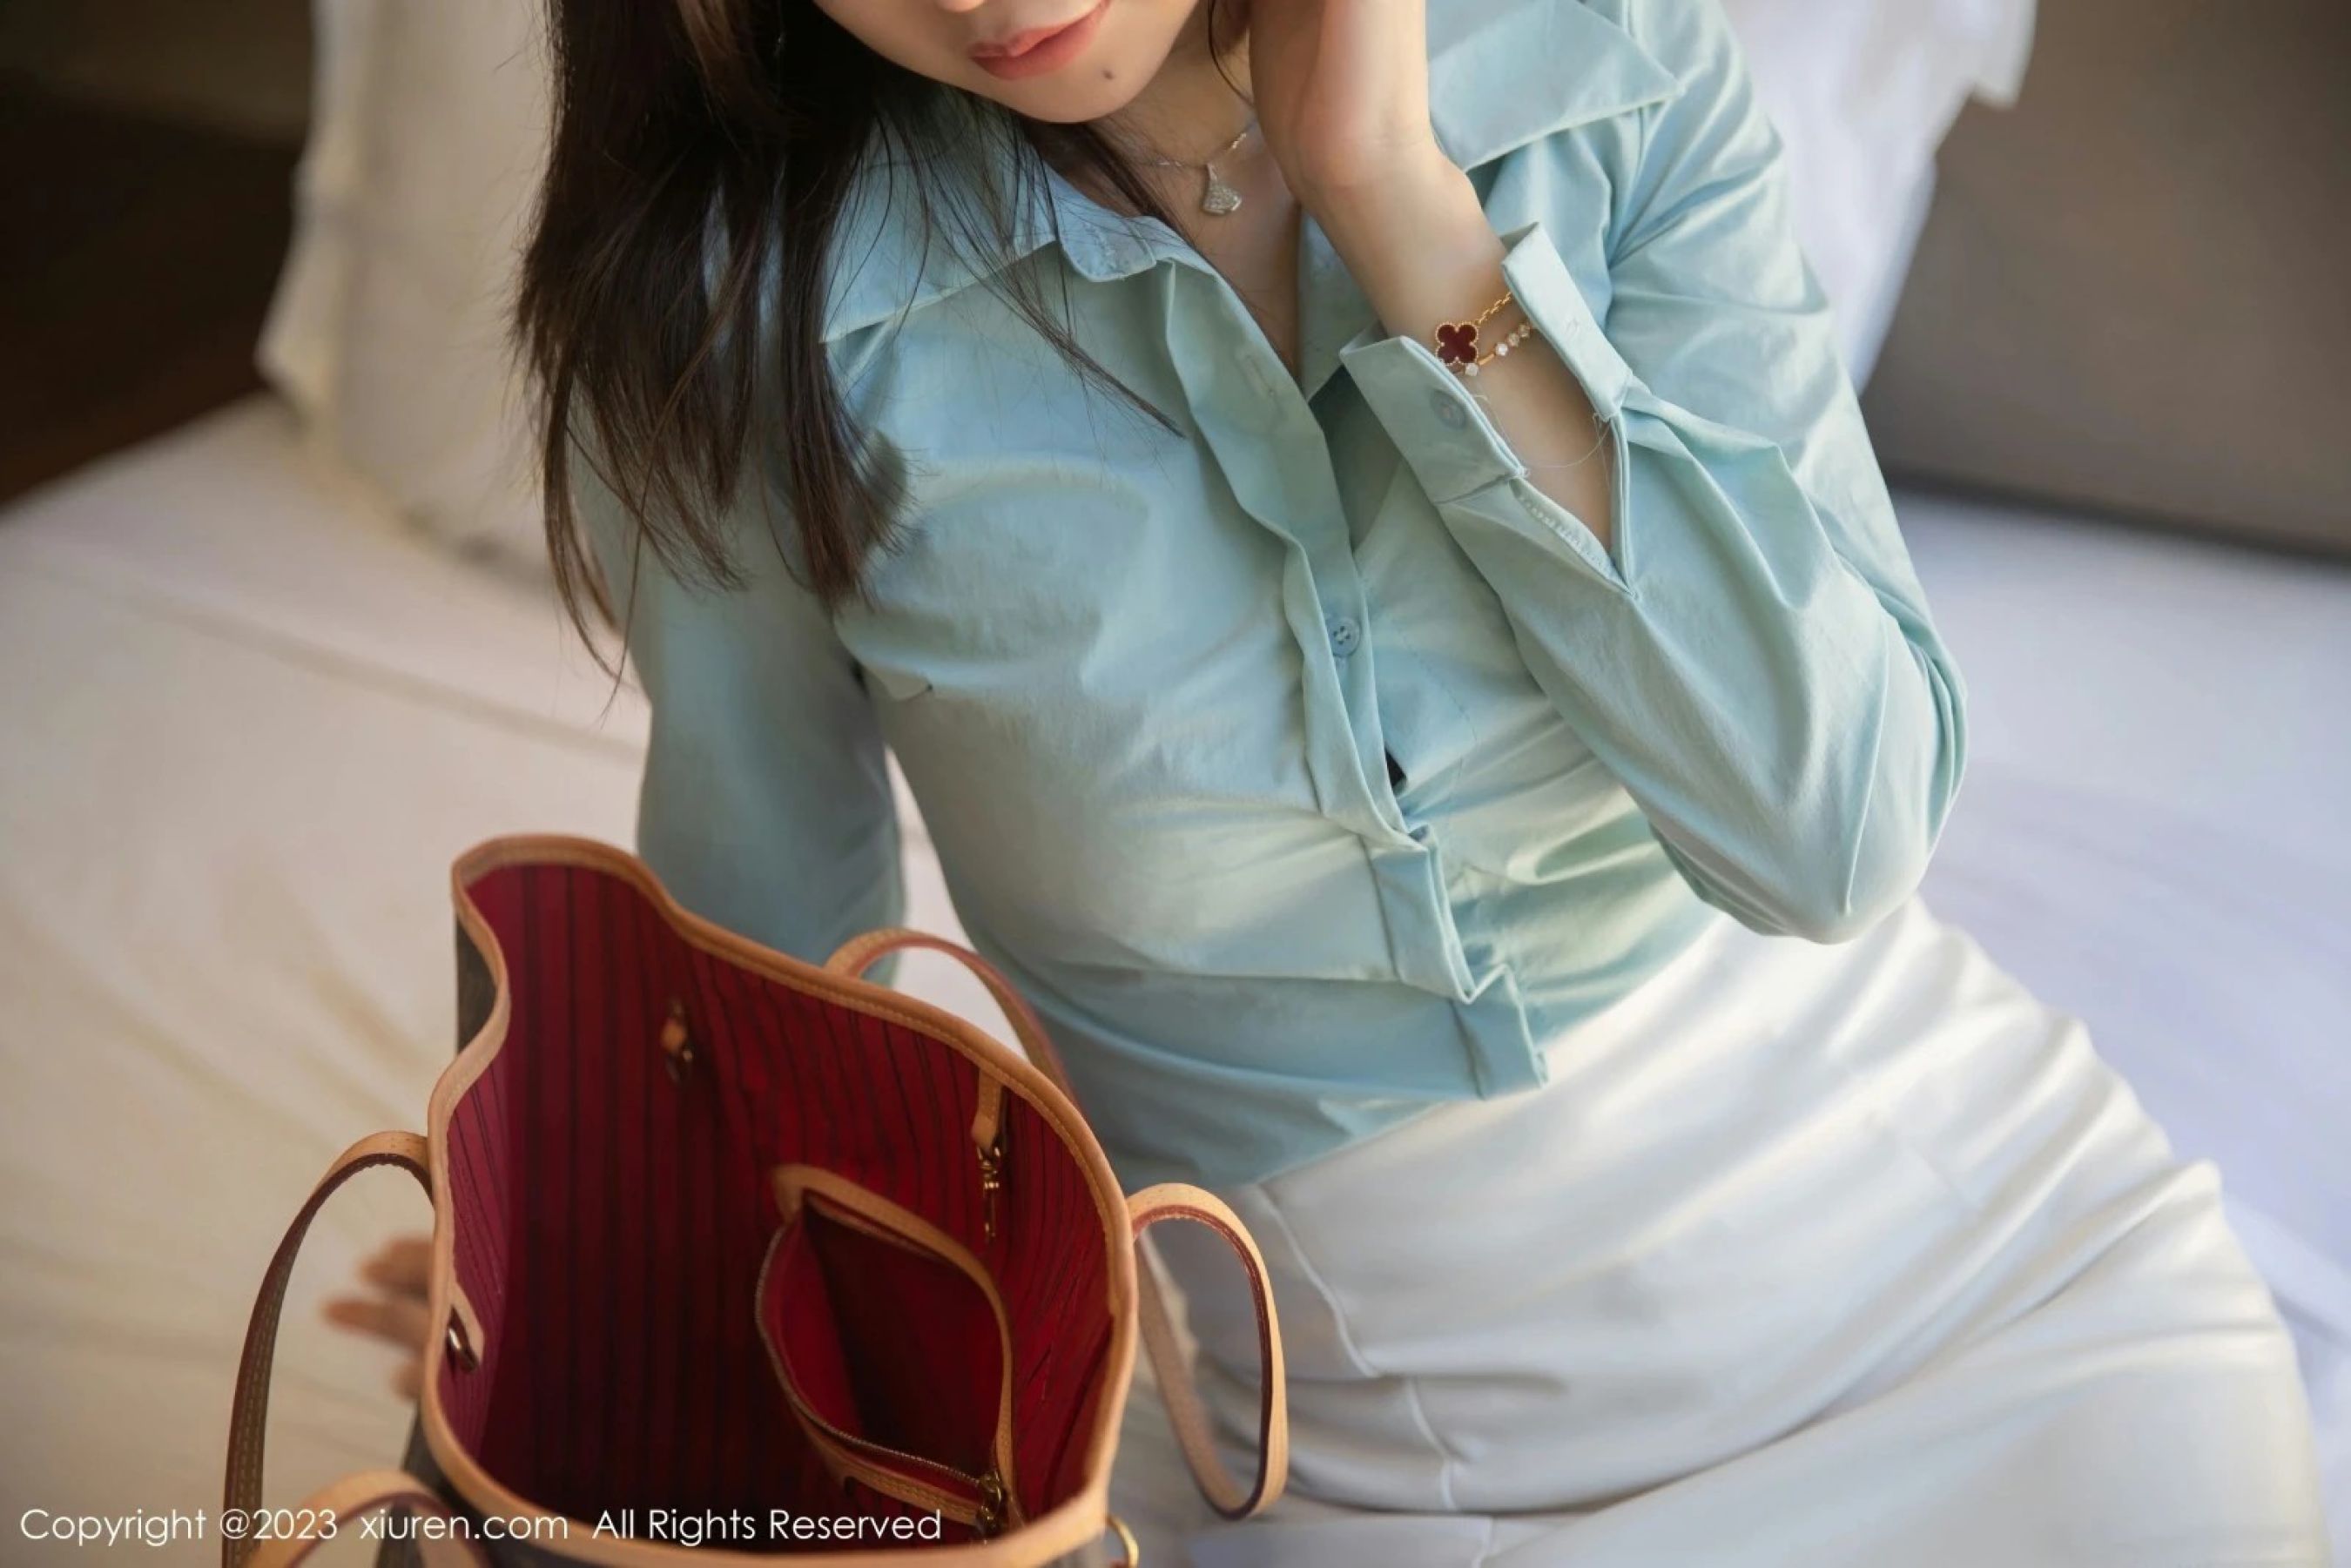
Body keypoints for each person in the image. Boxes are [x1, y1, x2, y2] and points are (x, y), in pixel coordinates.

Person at [329, 0, 2332, 1561]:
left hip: (2019, 1305)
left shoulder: (1609, 72)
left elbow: (1835, 830)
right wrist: (639, 1285)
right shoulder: (745, 325)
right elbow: (769, 993)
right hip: (1424, 1481)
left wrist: (1396, 196)